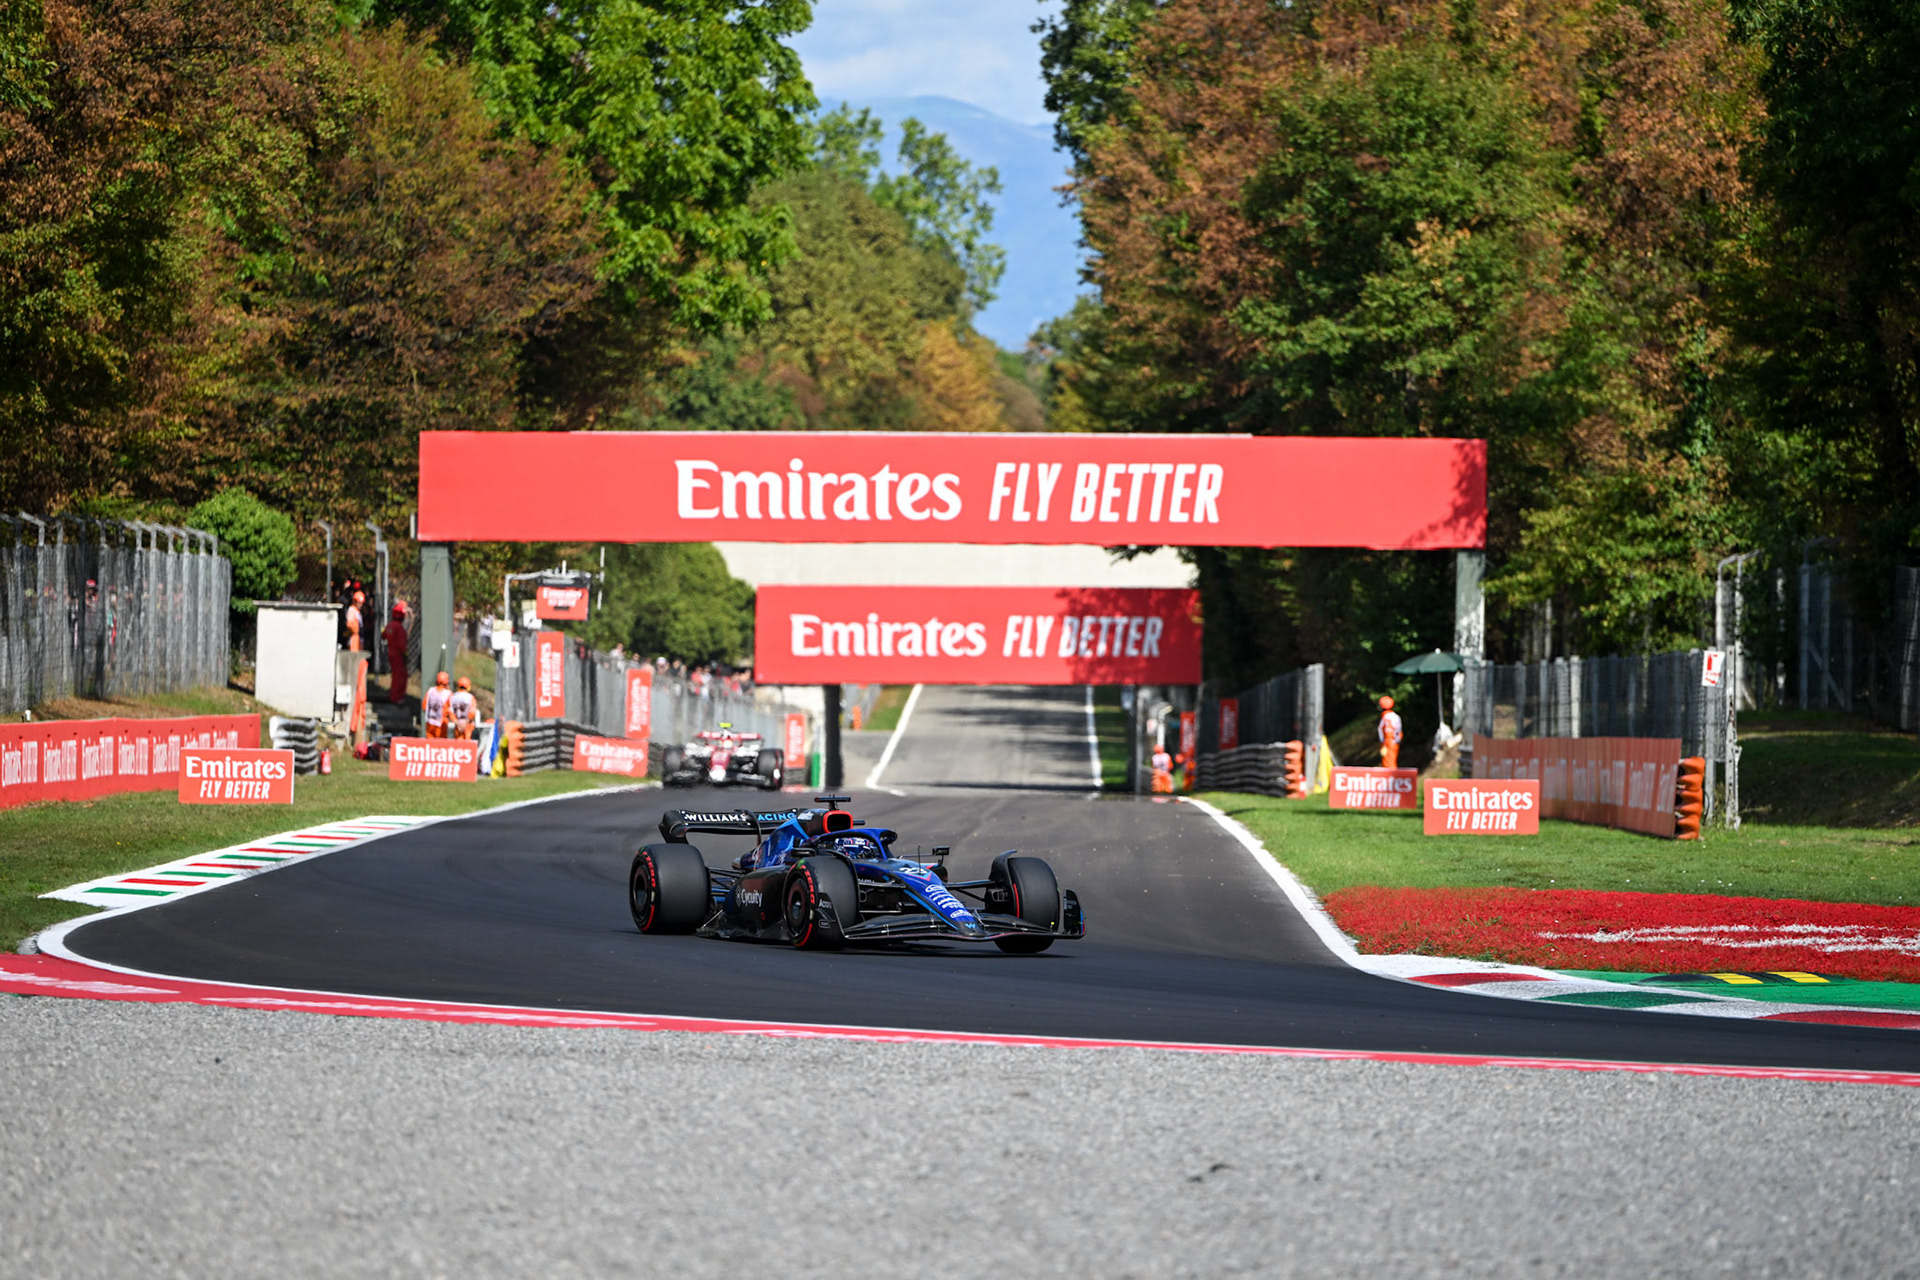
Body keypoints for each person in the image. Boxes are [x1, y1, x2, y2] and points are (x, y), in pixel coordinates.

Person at [381, 605, 409, 703]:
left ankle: (395, 696)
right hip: (398, 655)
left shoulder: (390, 625)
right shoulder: (399, 628)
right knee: (400, 677)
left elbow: (383, 635)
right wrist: (406, 654)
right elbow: (402, 644)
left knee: (395, 675)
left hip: (391, 653)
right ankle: (396, 697)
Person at [1377, 695, 1404, 769]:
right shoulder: (1396, 717)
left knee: (1388, 763)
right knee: (1392, 760)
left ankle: (1392, 776)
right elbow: (1399, 730)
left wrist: (1383, 742)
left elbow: (1380, 730)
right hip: (1395, 743)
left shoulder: (1385, 717)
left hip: (1387, 743)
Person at [423, 670, 452, 738]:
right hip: (441, 724)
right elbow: (451, 711)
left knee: (430, 742)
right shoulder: (448, 694)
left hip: (430, 722)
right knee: (440, 743)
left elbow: (424, 706)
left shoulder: (430, 691)